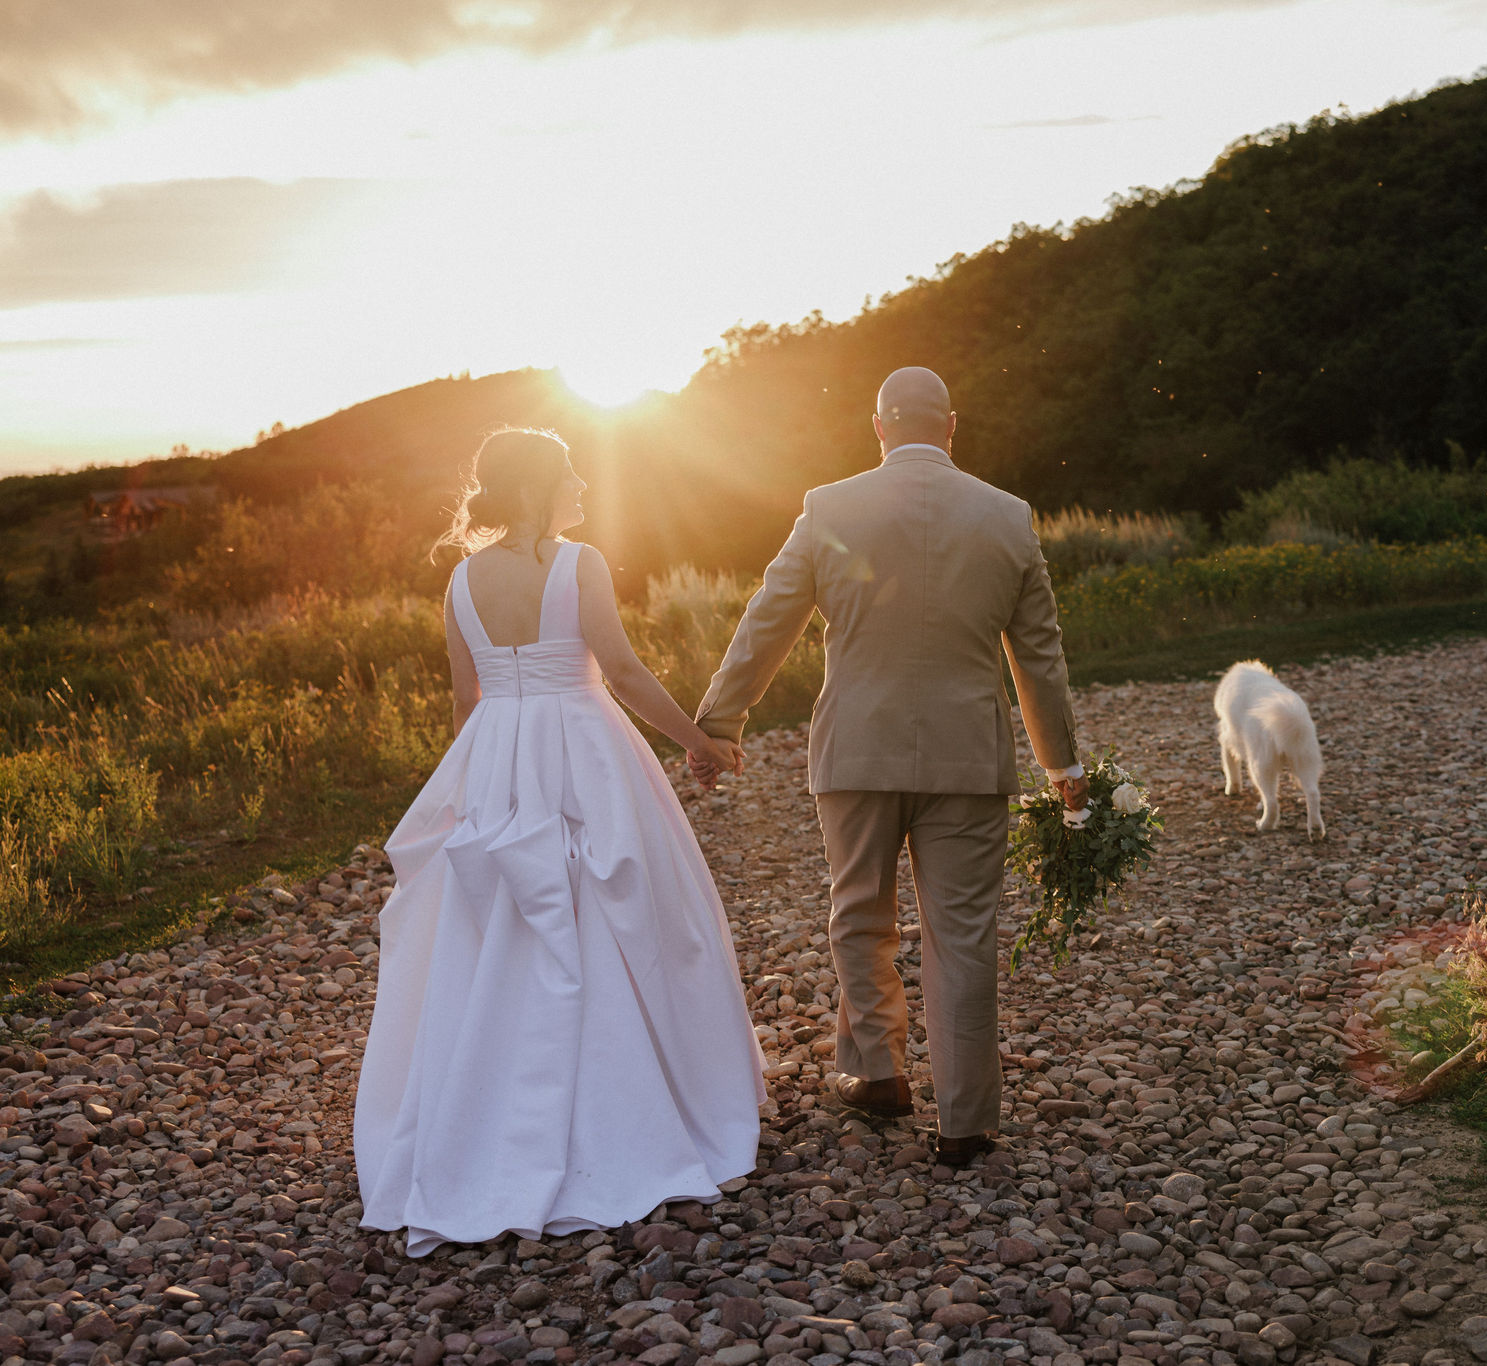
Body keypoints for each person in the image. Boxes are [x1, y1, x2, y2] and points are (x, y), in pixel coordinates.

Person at [354, 427, 764, 1256]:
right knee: (622, 913)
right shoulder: (579, 564)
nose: (581, 478)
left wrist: (473, 797)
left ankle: (488, 1118)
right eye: (569, 468)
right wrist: (698, 741)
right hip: (583, 748)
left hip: (498, 754)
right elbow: (625, 671)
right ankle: (630, 1113)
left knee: (496, 931)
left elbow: (465, 705)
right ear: (541, 485)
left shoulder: (462, 580)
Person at [691, 366, 1085, 1166]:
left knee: (860, 916)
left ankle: (876, 1074)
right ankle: (966, 1122)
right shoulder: (1007, 518)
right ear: (950, 427)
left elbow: (770, 617)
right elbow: (1039, 658)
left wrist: (719, 719)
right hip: (968, 756)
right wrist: (1063, 764)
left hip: (856, 752)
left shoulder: (830, 507)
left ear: (878, 427)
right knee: (964, 937)